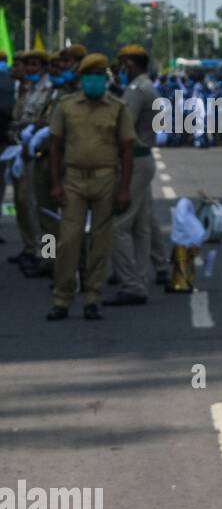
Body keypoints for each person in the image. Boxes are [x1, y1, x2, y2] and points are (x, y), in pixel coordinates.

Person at [45, 54, 134, 321]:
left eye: (100, 75)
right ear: (82, 78)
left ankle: (93, 297)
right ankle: (62, 298)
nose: (95, 80)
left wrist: (124, 189)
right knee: (68, 241)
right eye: (90, 75)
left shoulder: (117, 107)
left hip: (106, 179)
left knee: (100, 242)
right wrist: (56, 184)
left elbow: (127, 149)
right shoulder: (66, 106)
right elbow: (55, 146)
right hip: (73, 179)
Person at [106, 44, 162, 306]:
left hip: (134, 160)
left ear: (131, 64)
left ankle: (130, 282)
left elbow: (121, 127)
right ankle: (138, 279)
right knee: (140, 227)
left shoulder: (137, 90)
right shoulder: (144, 87)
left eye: (122, 65)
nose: (120, 70)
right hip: (143, 158)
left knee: (119, 225)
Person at [9, 50, 54, 276]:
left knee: (42, 211)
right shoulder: (28, 88)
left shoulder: (48, 89)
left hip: (42, 154)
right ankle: (34, 249)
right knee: (26, 204)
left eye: (33, 65)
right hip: (24, 150)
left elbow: (44, 122)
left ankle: (46, 256)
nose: (28, 69)